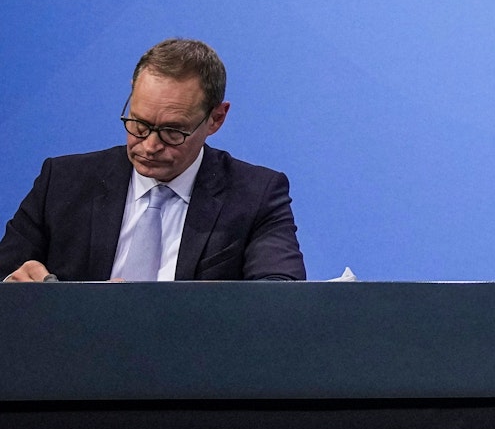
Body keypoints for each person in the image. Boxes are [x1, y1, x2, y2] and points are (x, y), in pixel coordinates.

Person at [1, 39, 305, 282]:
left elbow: (278, 292)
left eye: (172, 131)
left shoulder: (256, 195)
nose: (149, 145)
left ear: (216, 119)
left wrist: (218, 307)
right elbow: (7, 273)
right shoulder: (63, 182)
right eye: (139, 123)